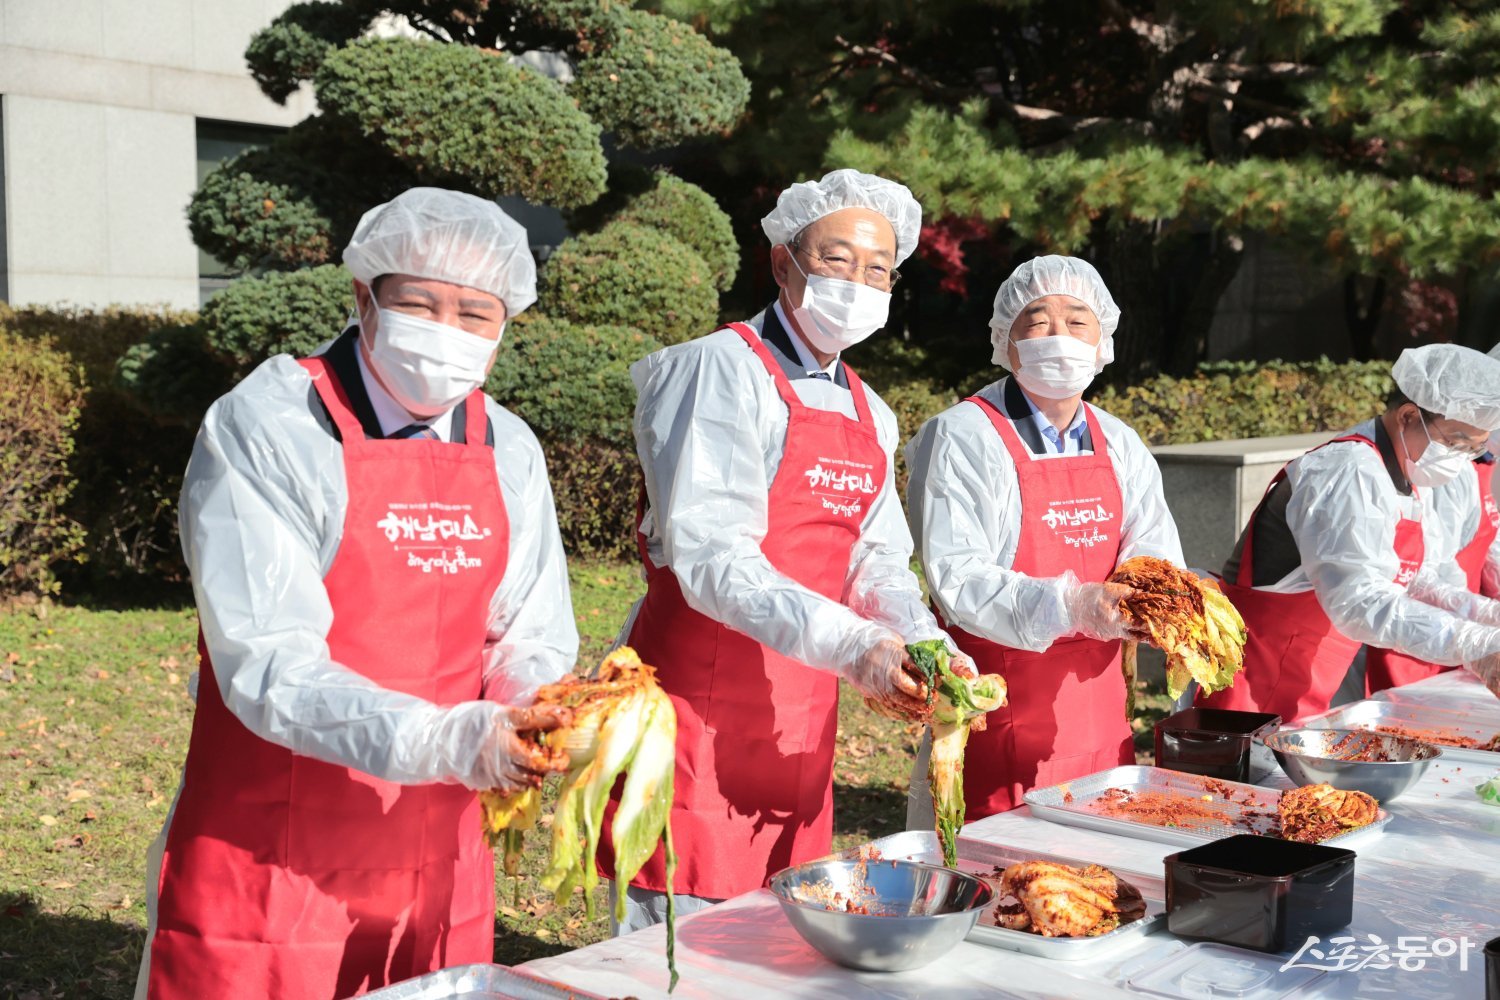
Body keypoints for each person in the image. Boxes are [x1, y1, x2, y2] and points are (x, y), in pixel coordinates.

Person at [138, 188, 579, 999]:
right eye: (420, 304)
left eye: (476, 315)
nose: (447, 333)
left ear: (505, 324)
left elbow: (531, 626)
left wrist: (526, 711)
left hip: (442, 837)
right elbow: (267, 662)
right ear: (363, 296)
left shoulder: (507, 444)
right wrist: (448, 739)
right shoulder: (269, 425)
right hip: (277, 837)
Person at [600, 168, 965, 933]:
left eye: (877, 269)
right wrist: (855, 642)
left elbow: (875, 561)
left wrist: (924, 641)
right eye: (837, 259)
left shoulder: (872, 409)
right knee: (680, 944)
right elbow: (711, 559)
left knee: (777, 937)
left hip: (801, 714)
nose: (858, 282)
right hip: (695, 708)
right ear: (783, 260)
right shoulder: (717, 371)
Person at [903, 256, 1184, 826]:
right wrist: (1075, 604)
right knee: (1002, 888)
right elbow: (958, 578)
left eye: (1078, 321)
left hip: (1100, 712)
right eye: (1037, 321)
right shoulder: (962, 435)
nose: (1059, 337)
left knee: (1099, 886)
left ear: (1103, 339)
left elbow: (1152, 546)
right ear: (1005, 340)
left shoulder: (1120, 441)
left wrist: (1156, 600)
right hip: (998, 714)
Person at [1201, 343, 1500, 724]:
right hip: (1252, 689)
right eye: (1455, 442)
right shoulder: (1348, 472)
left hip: (1309, 685)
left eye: (1473, 449)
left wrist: (1486, 616)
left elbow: (1409, 578)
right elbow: (1358, 601)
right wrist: (1470, 643)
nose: (1460, 458)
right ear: (1409, 415)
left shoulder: (1406, 472)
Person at [1364, 343, 1500, 695]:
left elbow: (1438, 571)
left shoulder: (1451, 462)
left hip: (1445, 635)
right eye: (1461, 441)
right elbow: (1368, 595)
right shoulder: (1430, 465)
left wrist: (1485, 623)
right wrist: (1476, 637)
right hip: (1408, 638)